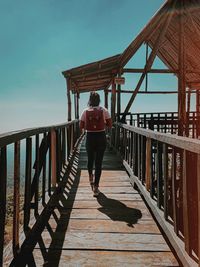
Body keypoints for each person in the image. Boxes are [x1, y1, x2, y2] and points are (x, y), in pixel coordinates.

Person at [80, 92, 112, 197]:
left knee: (90, 160)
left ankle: (90, 177)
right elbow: (110, 124)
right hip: (101, 137)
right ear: (99, 100)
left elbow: (81, 126)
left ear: (89, 100)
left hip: (90, 137)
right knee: (98, 163)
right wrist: (102, 123)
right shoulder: (104, 110)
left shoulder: (85, 111)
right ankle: (96, 187)